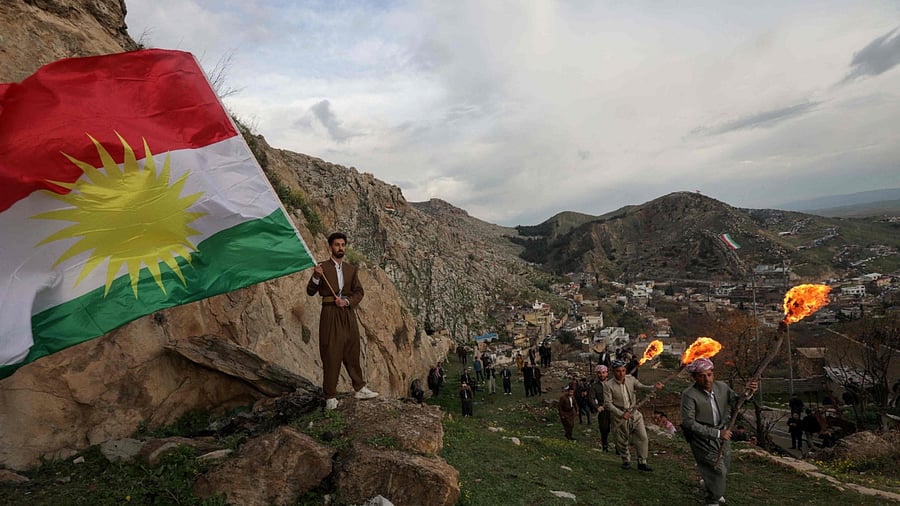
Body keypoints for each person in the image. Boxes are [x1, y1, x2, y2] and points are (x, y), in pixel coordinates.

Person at [307, 232, 378, 410]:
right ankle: (330, 396)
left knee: (352, 348)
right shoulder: (321, 267)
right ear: (330, 247)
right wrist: (316, 276)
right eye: (337, 245)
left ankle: (360, 387)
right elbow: (310, 291)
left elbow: (359, 292)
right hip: (330, 313)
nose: (341, 248)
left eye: (343, 245)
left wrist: (347, 301)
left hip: (347, 312)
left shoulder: (350, 269)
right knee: (331, 351)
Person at [680, 357, 758, 506]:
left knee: (725, 464)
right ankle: (713, 499)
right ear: (694, 377)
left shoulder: (722, 387)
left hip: (722, 435)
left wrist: (748, 392)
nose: (707, 379)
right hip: (702, 438)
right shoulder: (689, 395)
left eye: (709, 374)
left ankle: (711, 485)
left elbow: (737, 401)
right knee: (718, 470)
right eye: (702, 376)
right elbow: (688, 422)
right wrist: (716, 434)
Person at [604, 359, 663, 471]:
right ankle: (626, 460)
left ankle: (642, 462)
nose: (621, 373)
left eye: (623, 370)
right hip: (619, 416)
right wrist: (621, 414)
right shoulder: (608, 385)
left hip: (634, 413)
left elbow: (642, 387)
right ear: (613, 371)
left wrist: (654, 387)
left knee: (642, 437)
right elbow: (608, 404)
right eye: (618, 371)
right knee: (621, 440)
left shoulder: (631, 379)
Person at [589, 365, 612, 451]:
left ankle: (619, 448)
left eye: (603, 373)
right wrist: (597, 407)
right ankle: (605, 445)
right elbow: (591, 398)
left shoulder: (612, 383)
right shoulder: (594, 386)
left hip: (614, 408)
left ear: (607, 373)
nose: (601, 375)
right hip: (603, 409)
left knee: (617, 428)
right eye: (599, 373)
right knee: (604, 428)